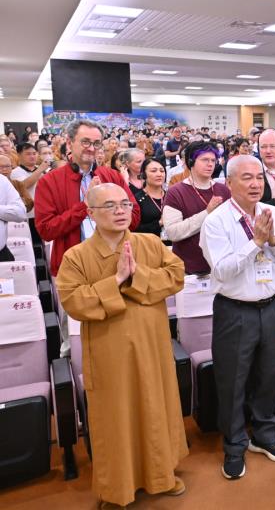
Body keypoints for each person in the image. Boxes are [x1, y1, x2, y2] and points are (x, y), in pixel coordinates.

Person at [56, 183, 186, 508]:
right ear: (91, 213)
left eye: (125, 204)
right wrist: (115, 280)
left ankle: (162, 476)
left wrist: (137, 275)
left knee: (155, 407)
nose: (120, 211)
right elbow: (73, 301)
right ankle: (117, 489)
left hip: (152, 346)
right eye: (110, 206)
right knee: (115, 417)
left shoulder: (150, 243)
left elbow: (176, 276)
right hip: (109, 352)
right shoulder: (77, 256)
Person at [199, 155, 275, 480]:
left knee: (269, 374)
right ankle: (234, 446)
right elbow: (222, 270)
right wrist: (255, 242)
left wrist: (273, 241)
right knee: (233, 380)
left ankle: (264, 435)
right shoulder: (216, 222)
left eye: (259, 177)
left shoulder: (272, 213)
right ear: (229, 183)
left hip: (269, 306)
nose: (256, 184)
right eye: (247, 178)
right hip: (234, 309)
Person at [36, 119, 140, 276]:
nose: (91, 148)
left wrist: (110, 211)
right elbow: (46, 230)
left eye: (96, 143)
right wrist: (84, 206)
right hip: (73, 266)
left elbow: (135, 215)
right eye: (85, 142)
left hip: (116, 261)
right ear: (70, 143)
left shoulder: (112, 176)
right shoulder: (50, 181)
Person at [163, 141, 231, 275]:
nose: (210, 164)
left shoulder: (223, 190)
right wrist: (207, 213)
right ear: (191, 161)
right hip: (188, 270)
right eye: (205, 160)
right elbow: (173, 232)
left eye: (213, 160)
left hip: (221, 266)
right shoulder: (176, 192)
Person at [11, 142, 50, 218]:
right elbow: (23, 186)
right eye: (28, 154)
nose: (32, 156)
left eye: (34, 153)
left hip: (45, 211)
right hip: (29, 214)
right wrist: (40, 170)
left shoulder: (43, 168)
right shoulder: (15, 172)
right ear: (19, 155)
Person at [134, 158, 167, 238]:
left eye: (162, 171)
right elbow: (134, 229)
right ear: (144, 175)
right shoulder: (137, 199)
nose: (159, 174)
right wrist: (159, 223)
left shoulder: (171, 196)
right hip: (148, 242)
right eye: (153, 171)